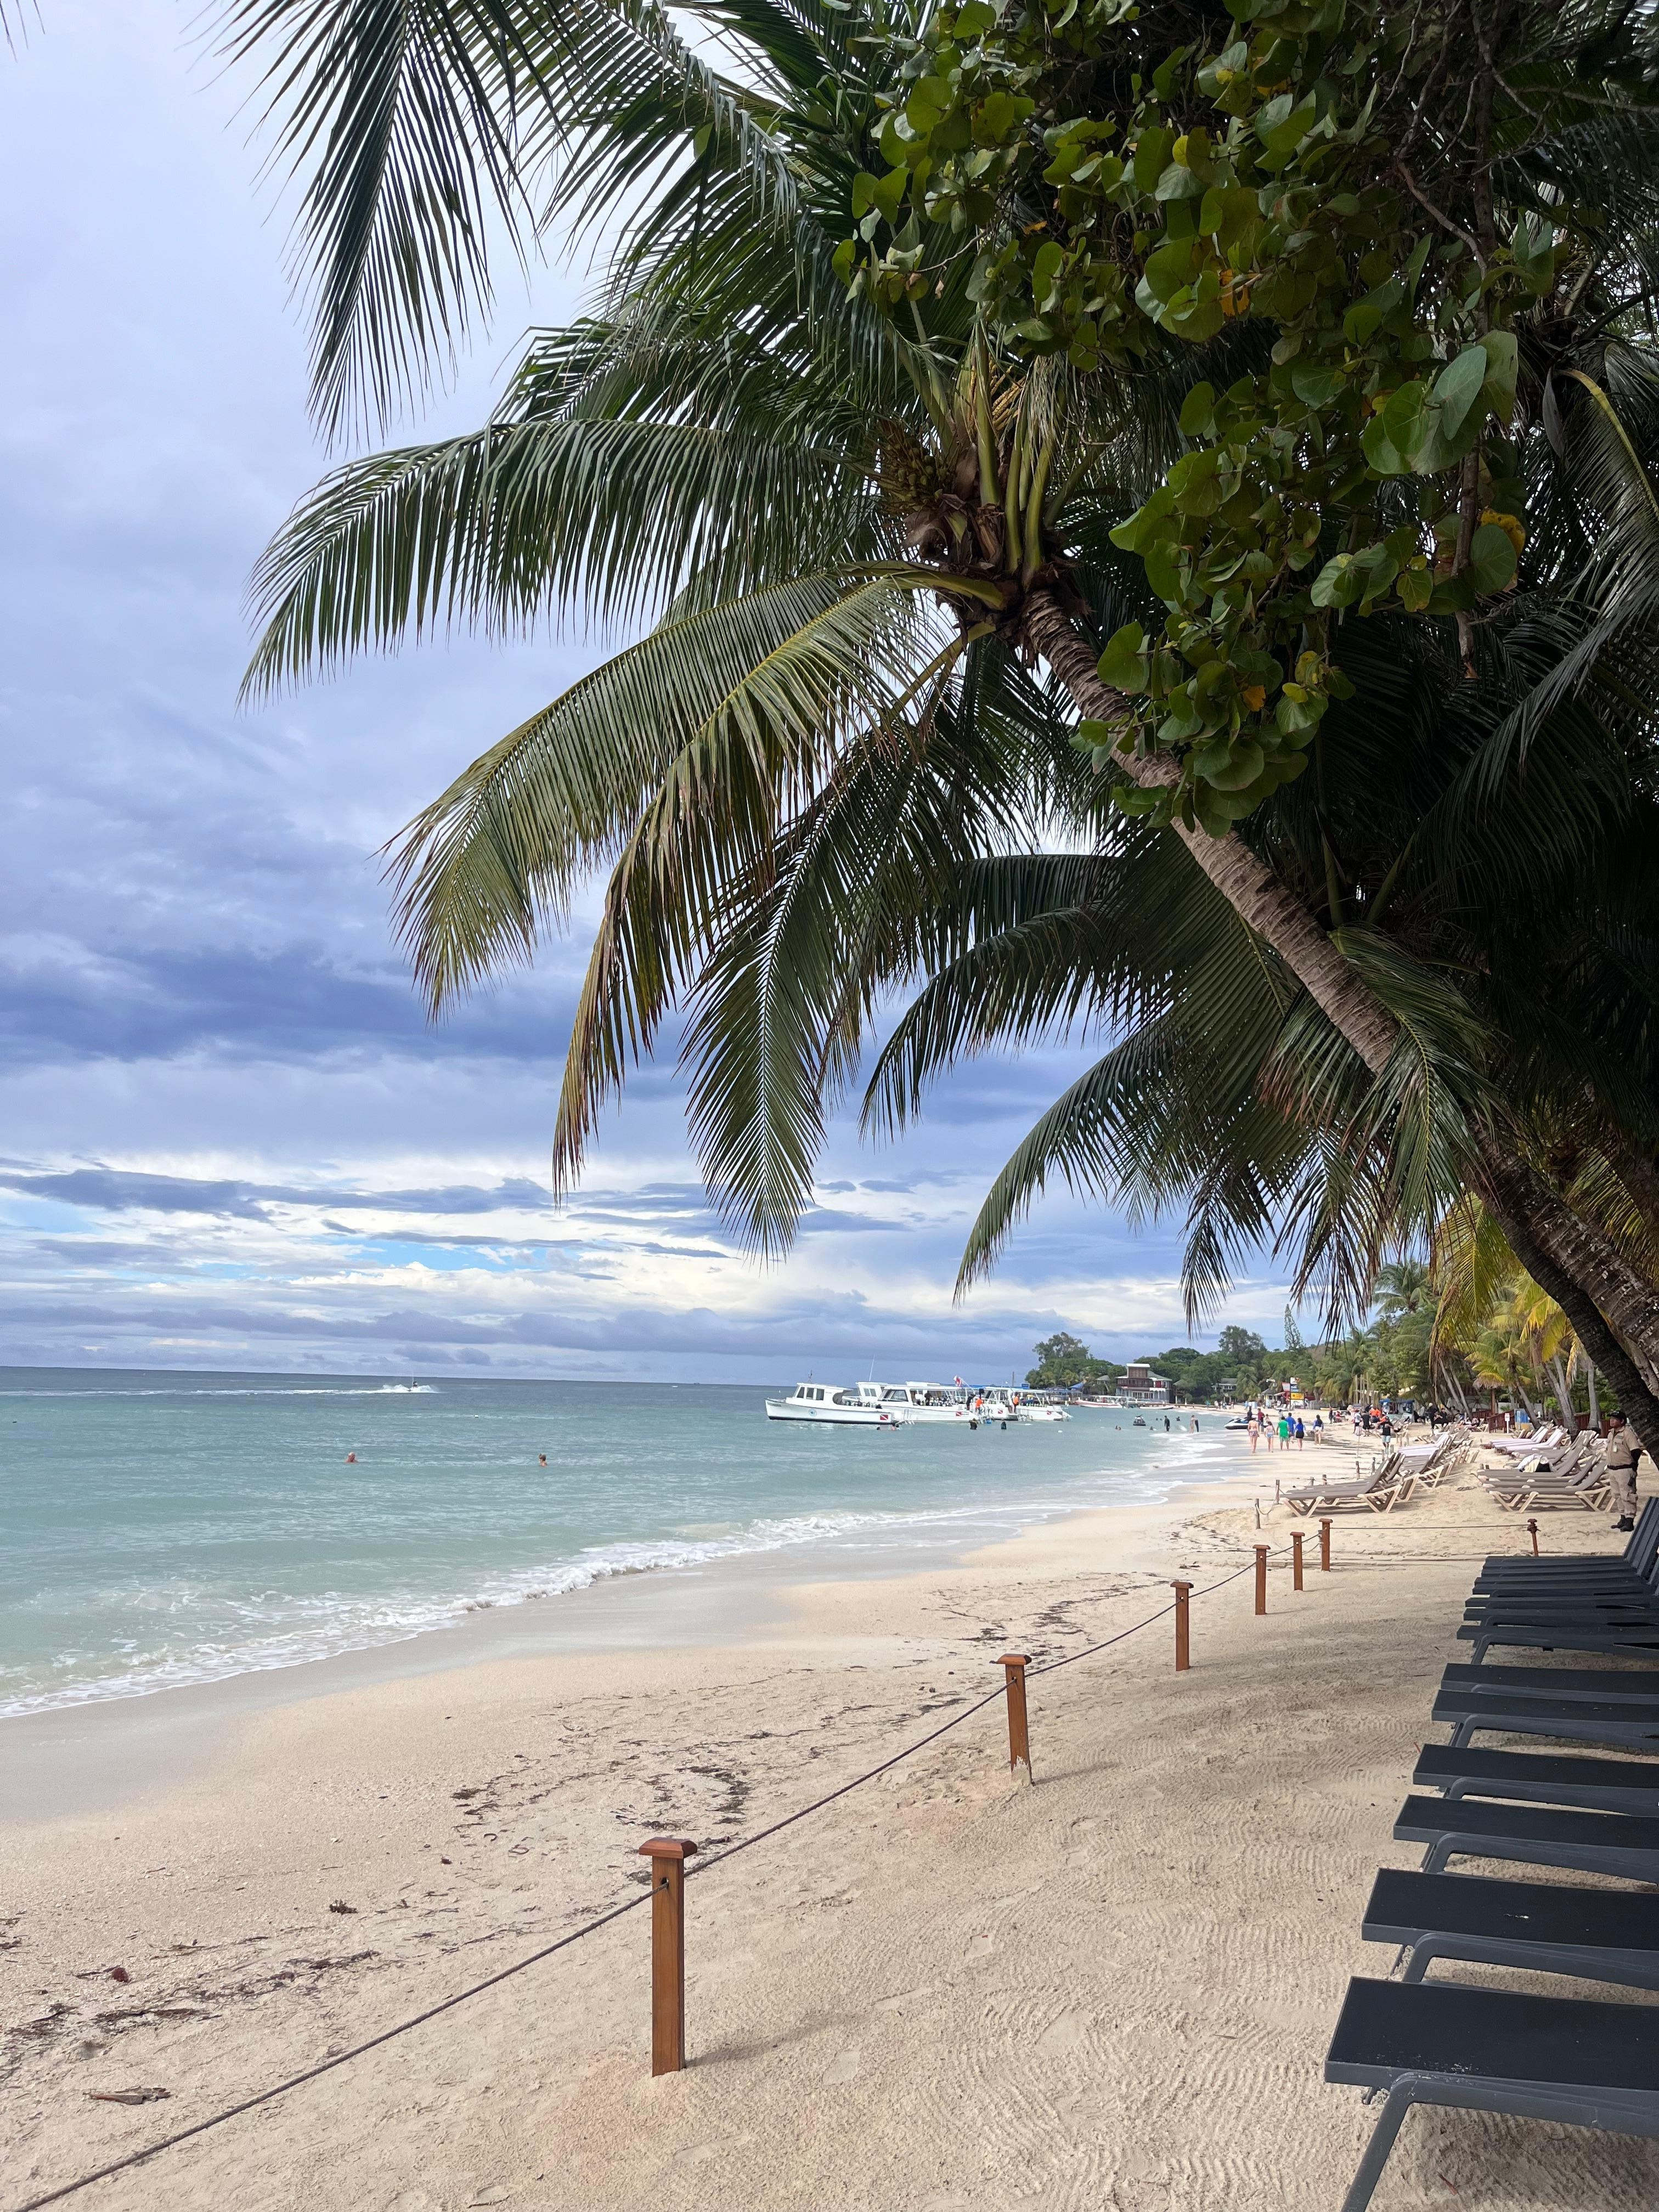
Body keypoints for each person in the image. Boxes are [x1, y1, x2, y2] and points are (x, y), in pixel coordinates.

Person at [1605, 1413, 1641, 1532]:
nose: (1612, 1421)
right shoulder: (1611, 1433)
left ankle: (1630, 1520)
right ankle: (1623, 1518)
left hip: (1624, 1469)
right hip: (1613, 1469)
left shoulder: (1627, 1434)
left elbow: (1636, 1451)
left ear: (1622, 1421)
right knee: (1617, 1495)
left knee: (1627, 1495)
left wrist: (1634, 1465)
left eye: (1615, 1419)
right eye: (1611, 1419)